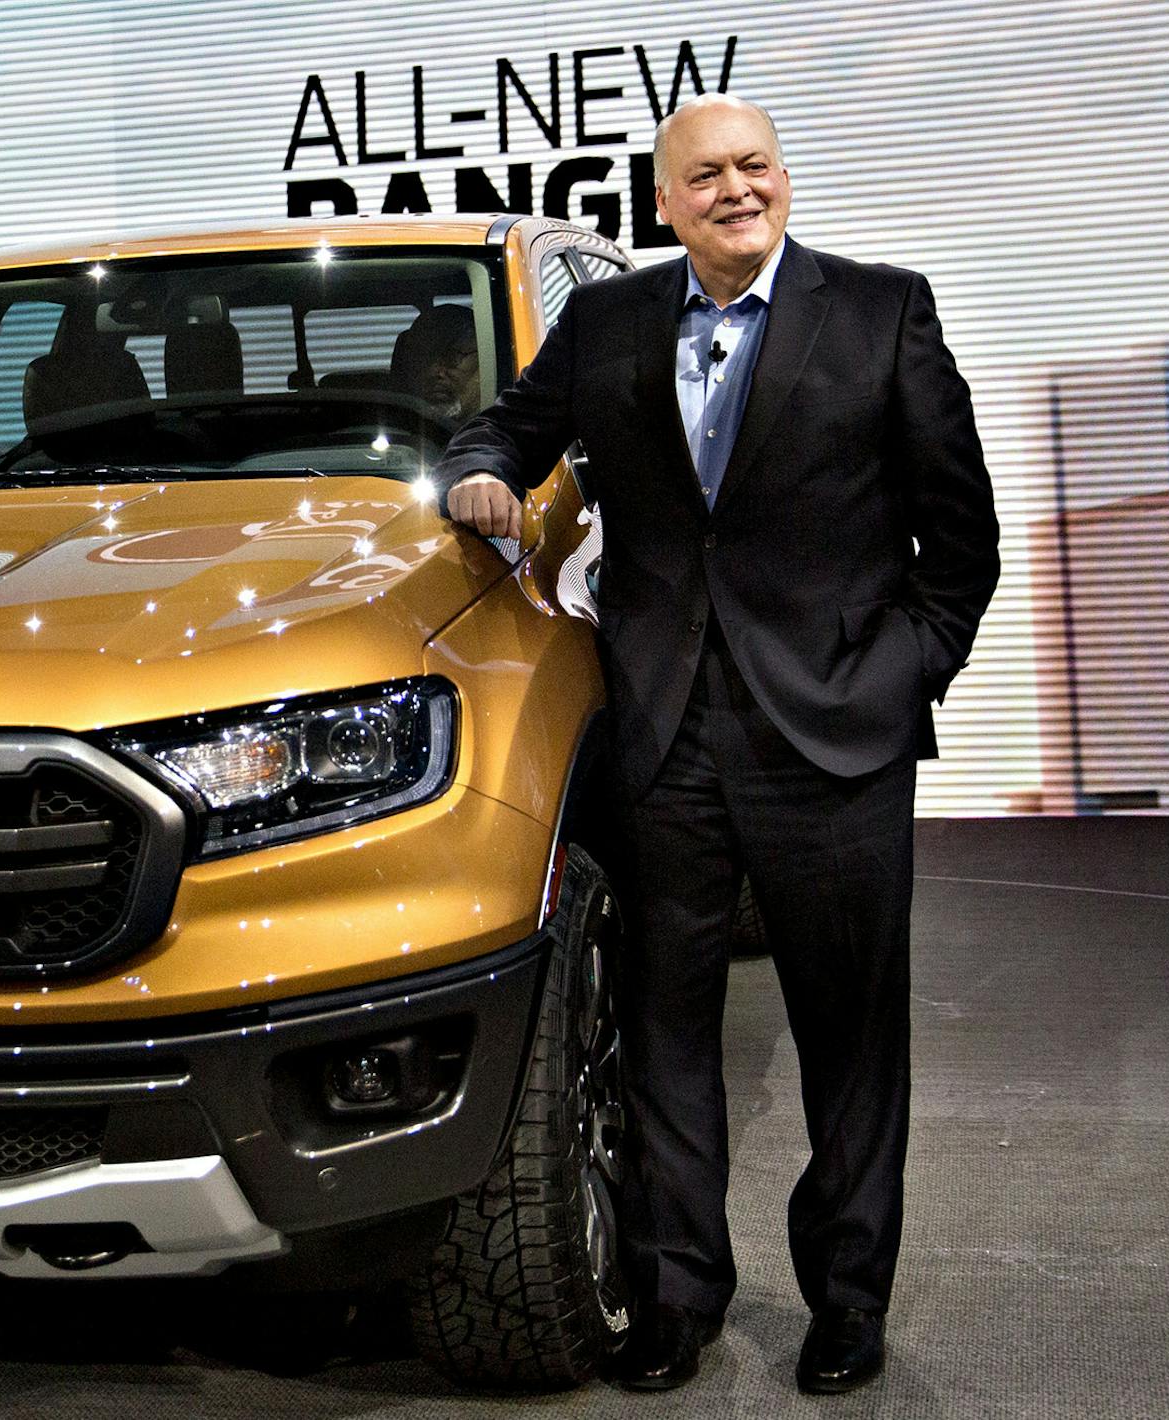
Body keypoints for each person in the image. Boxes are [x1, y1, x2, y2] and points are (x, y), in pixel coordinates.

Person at [437, 96, 998, 1394]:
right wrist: (479, 475)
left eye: (754, 166)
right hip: (664, 729)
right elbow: (503, 432)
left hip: (835, 737)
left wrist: (897, 677)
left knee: (850, 1035)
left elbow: (959, 546)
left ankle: (848, 1299)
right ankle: (677, 1293)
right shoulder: (607, 322)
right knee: (664, 1026)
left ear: (784, 178)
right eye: (706, 176)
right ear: (666, 201)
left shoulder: (881, 315)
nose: (735, 189)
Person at [390, 303, 483, 425]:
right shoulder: (393, 427)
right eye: (424, 359)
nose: (434, 372)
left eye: (452, 357)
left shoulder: (501, 430)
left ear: (482, 358)